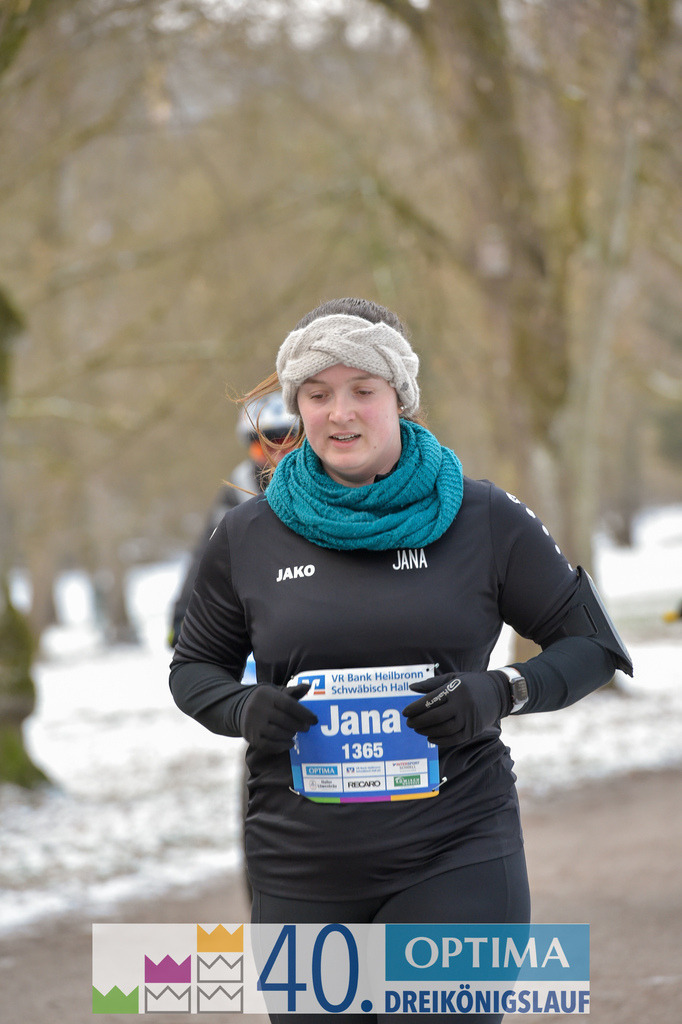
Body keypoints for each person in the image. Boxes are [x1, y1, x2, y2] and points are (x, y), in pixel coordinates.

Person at [170, 297, 633, 1024]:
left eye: (363, 391)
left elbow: (594, 648)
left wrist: (503, 690)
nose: (339, 413)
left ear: (401, 398)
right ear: (297, 406)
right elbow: (193, 669)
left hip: (456, 849)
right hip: (302, 865)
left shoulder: (484, 518)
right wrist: (243, 707)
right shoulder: (248, 535)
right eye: (317, 395)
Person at [168, 392, 296, 647]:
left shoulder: (333, 478)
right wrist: (183, 614)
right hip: (266, 604)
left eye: (288, 443)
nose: (276, 456)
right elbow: (208, 552)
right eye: (263, 446)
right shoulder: (239, 486)